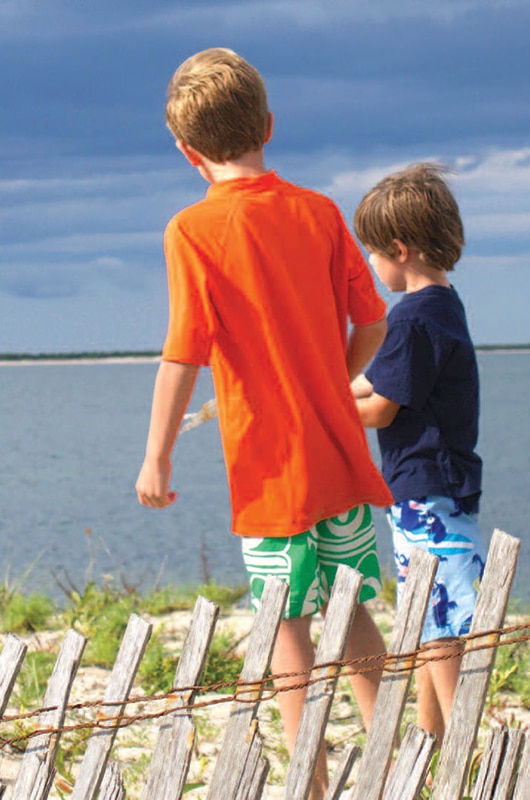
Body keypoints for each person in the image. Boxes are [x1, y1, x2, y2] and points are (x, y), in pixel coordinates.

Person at [135, 47, 393, 798]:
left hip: (269, 473)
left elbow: (183, 353)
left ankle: (309, 784)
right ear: (269, 126)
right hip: (340, 460)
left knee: (288, 631)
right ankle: (387, 764)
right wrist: (331, 379)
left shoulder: (192, 230)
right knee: (353, 614)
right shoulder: (320, 212)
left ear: (187, 153)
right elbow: (372, 321)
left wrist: (157, 457)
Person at [352, 163, 486, 745]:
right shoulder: (444, 305)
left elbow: (378, 407)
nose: (371, 266)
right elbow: (371, 384)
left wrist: (312, 412)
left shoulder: (409, 317)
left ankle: (461, 748)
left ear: (398, 250)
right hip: (441, 484)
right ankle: (430, 745)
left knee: (442, 628)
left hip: (424, 489)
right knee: (432, 617)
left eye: (373, 254)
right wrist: (323, 388)